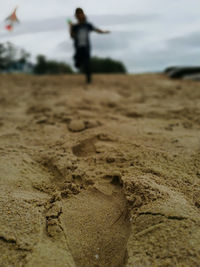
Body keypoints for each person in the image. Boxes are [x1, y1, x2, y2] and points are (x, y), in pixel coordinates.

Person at [68, 8, 110, 84]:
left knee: (87, 63)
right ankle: (78, 64)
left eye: (81, 13)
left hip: (86, 47)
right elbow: (72, 36)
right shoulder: (75, 26)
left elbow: (96, 30)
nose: (80, 15)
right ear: (76, 16)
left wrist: (103, 32)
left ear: (83, 15)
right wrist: (70, 28)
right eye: (78, 14)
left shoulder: (87, 25)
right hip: (78, 47)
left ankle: (88, 80)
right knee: (77, 63)